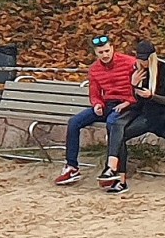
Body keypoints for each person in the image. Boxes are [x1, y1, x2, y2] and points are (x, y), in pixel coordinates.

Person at [55, 34, 137, 188]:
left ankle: (111, 169)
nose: (105, 55)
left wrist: (129, 101)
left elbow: (140, 87)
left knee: (113, 123)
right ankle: (72, 167)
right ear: (95, 53)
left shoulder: (130, 63)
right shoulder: (94, 69)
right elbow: (94, 93)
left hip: (128, 104)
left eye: (107, 51)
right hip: (108, 103)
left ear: (112, 48)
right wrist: (97, 104)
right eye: (101, 52)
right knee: (74, 122)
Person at [116, 40, 165, 167]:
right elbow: (131, 97)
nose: (143, 62)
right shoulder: (138, 70)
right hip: (142, 110)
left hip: (161, 115)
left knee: (121, 134)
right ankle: (114, 166)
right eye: (140, 59)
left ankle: (120, 169)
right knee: (116, 129)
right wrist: (133, 85)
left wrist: (152, 96)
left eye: (146, 60)